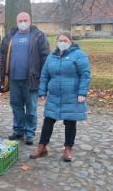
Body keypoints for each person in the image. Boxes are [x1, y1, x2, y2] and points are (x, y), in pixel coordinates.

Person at [30, 32, 91, 162]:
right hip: (54, 96)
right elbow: (45, 75)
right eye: (60, 40)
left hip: (72, 95)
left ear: (71, 41)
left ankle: (68, 149)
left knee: (70, 122)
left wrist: (82, 93)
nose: (62, 42)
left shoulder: (79, 55)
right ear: (57, 42)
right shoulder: (51, 57)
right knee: (48, 121)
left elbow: (85, 75)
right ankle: (42, 147)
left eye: (65, 40)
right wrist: (42, 92)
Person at [0, 12, 50, 145]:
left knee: (31, 108)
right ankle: (18, 131)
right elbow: (3, 57)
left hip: (31, 79)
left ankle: (30, 133)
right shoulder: (10, 36)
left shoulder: (38, 36)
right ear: (16, 22)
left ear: (30, 21)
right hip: (14, 79)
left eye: (25, 20)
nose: (23, 22)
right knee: (16, 107)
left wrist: (43, 78)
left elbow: (45, 57)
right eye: (20, 20)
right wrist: (2, 78)